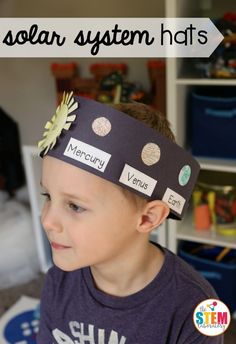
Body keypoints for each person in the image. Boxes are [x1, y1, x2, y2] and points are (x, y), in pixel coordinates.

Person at [37, 92, 223, 343]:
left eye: (74, 206)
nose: (47, 220)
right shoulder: (58, 281)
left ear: (147, 218)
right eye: (48, 195)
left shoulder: (199, 308)